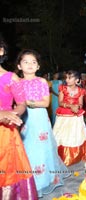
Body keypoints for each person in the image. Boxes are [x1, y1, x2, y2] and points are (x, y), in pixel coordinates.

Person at [17, 49, 70, 197]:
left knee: (41, 148)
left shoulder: (41, 81)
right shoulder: (16, 82)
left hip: (39, 119)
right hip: (23, 119)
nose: (30, 64)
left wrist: (27, 102)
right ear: (19, 66)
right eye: (25, 62)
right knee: (27, 149)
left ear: (38, 66)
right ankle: (28, 181)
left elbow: (46, 103)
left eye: (33, 62)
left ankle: (42, 181)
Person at [0, 41, 38, 199]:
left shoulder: (11, 78)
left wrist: (14, 114)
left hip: (5, 133)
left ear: (1, 51)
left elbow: (21, 103)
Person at [53, 70, 86, 166]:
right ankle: (61, 155)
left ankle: (76, 154)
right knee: (62, 134)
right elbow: (60, 102)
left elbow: (81, 103)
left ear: (76, 80)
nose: (67, 80)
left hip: (75, 116)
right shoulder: (63, 88)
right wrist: (70, 106)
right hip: (64, 115)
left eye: (69, 78)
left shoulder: (81, 90)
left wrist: (78, 107)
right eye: (66, 78)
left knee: (75, 134)